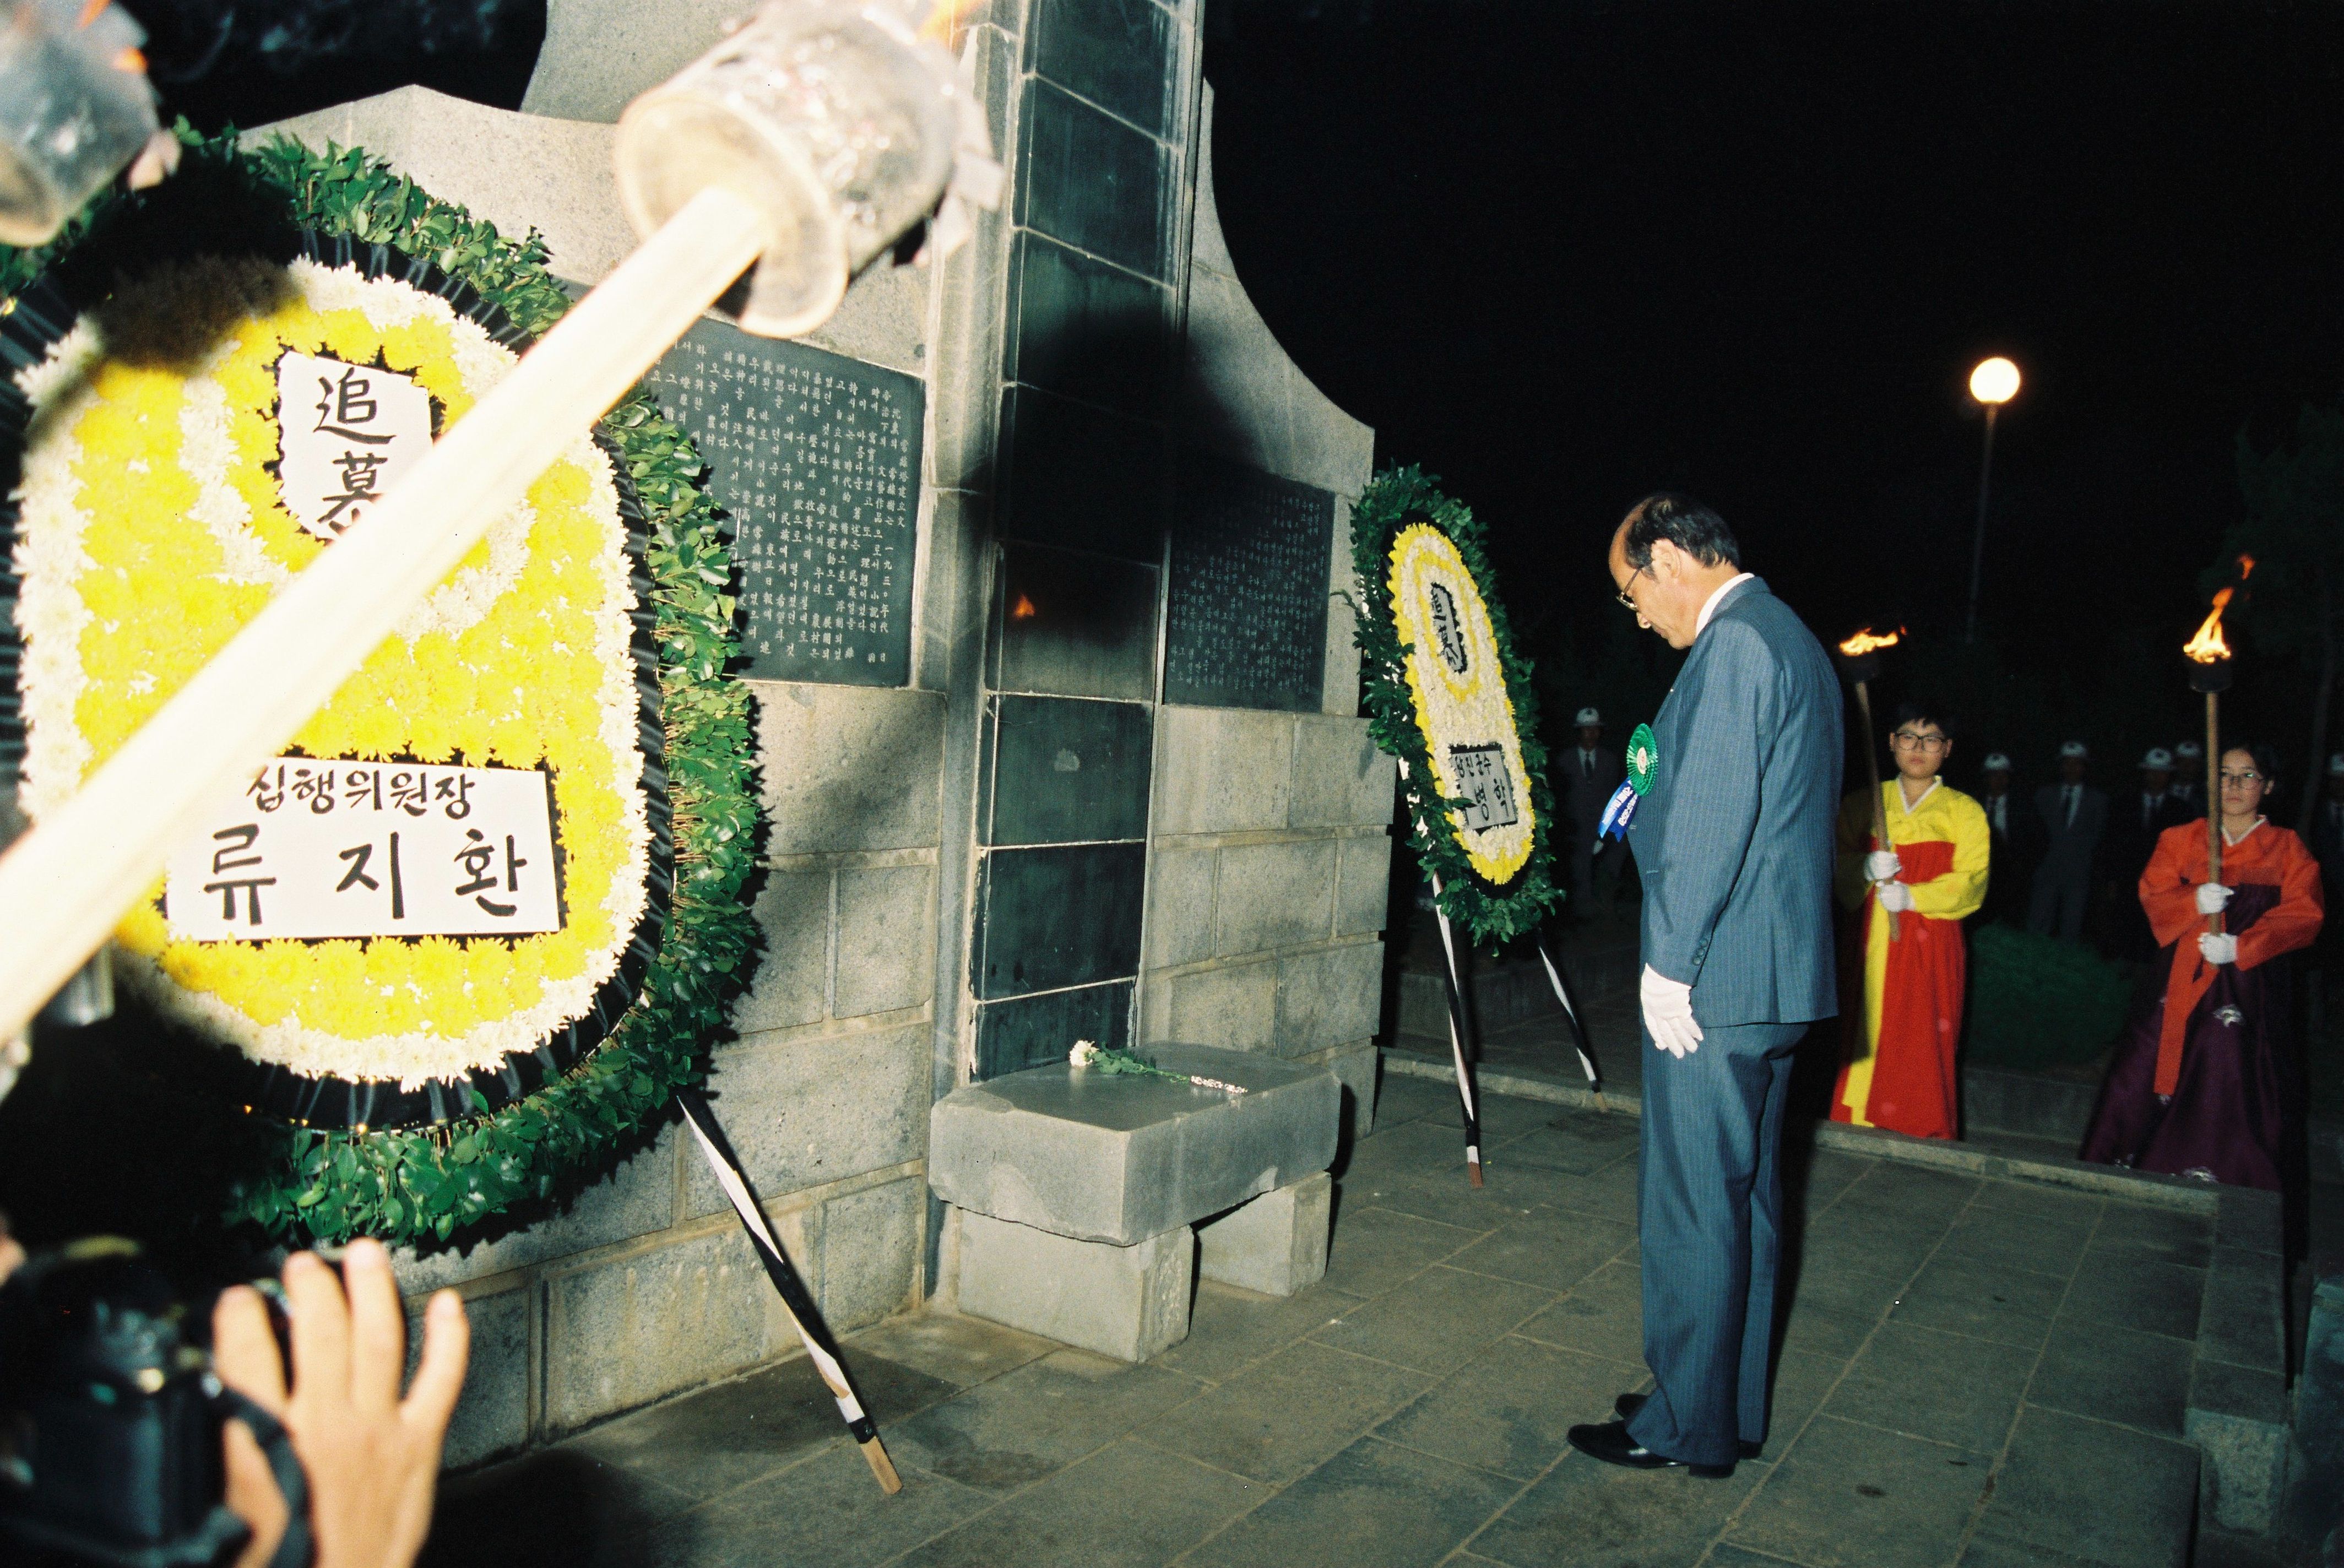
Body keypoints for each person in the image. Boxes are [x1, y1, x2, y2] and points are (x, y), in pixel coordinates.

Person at [1567, 493, 1839, 1478]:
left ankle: (1682, 1426)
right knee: (1749, 1199)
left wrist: (1668, 970)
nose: (1634, 614)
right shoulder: (1791, 637)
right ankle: (1727, 1405)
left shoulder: (1732, 648)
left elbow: (1714, 823)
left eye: (1630, 589)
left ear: (1673, 556)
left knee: (1692, 1202)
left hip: (1716, 976)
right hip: (1773, 974)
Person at [2079, 744, 2323, 1190]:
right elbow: (2153, 892)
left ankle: (2230, 1177)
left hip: (2247, 985)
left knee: (2231, 1068)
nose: (2233, 785)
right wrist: (2192, 900)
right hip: (2177, 980)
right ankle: (2120, 1171)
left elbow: (2304, 915)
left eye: (2247, 776)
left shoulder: (2287, 848)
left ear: (2267, 786)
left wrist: (2243, 946)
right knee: (2141, 1069)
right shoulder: (2183, 837)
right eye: (2224, 774)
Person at [1831, 703, 1989, 1139]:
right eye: (1908, 737)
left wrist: (1916, 895)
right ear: (1891, 743)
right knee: (1863, 1021)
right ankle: (1856, 1114)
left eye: (1931, 739)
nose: (1919, 748)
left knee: (1921, 1029)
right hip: (1869, 938)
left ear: (1947, 749)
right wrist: (1863, 867)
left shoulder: (1964, 811)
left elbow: (1973, 879)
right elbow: (1830, 865)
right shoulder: (1863, 803)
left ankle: (1918, 1122)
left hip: (1930, 939)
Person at [2103, 748, 2194, 959]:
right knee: (2124, 922)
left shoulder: (2180, 809)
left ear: (2169, 775)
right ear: (2144, 773)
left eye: (2161, 772)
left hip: (2163, 881)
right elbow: (2112, 844)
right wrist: (2111, 879)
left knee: (2154, 927)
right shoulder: (2125, 804)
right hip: (2128, 878)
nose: (2156, 777)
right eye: (2152, 771)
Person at [2029, 741, 2106, 943]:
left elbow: (2098, 838)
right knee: (2038, 926)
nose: (2071, 769)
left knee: (2071, 928)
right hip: (2046, 871)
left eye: (2077, 764)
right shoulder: (2044, 796)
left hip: (2078, 874)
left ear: (2084, 767)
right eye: (2067, 763)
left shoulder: (2097, 800)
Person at [1559, 705, 1629, 919]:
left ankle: (1606, 909)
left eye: (1595, 729)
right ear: (1578, 731)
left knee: (1617, 854)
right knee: (1579, 872)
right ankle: (1583, 915)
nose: (1591, 733)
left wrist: (1606, 832)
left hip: (1603, 826)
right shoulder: (1564, 760)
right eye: (1586, 729)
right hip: (1576, 829)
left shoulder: (1610, 760)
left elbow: (1614, 797)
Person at [1976, 751, 2030, 926]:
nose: (1998, 780)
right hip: (1980, 869)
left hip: (2011, 872)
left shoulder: (2022, 806)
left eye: (2003, 775)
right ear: (1986, 778)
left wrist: (2023, 864)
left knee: (2010, 918)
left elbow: (2037, 839)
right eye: (1993, 775)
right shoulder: (1973, 803)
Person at [2173, 740, 2206, 809]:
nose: (2186, 767)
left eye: (2192, 763)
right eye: (2182, 762)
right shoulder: (2165, 790)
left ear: (2198, 766)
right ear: (2176, 764)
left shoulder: (2205, 794)